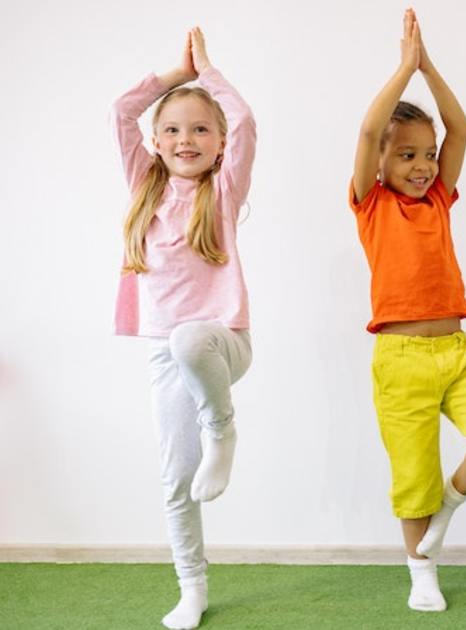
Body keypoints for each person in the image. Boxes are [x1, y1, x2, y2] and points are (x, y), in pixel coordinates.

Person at [349, 8, 466, 612]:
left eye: (427, 155)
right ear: (380, 166)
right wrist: (402, 70)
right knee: (414, 478)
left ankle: (449, 508)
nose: (423, 166)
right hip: (399, 360)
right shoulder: (371, 205)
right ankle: (421, 570)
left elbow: (461, 126)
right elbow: (371, 132)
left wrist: (428, 66)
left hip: (455, 352)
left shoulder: (440, 201)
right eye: (407, 157)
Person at [111, 27, 256, 629]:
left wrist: (208, 72)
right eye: (172, 129)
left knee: (188, 336)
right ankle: (191, 587)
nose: (185, 139)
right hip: (167, 357)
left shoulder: (222, 193)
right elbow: (121, 112)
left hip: (222, 345)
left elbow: (246, 120)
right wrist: (174, 77)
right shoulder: (144, 186)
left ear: (220, 145)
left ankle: (223, 429)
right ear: (154, 143)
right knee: (176, 480)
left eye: (200, 129)